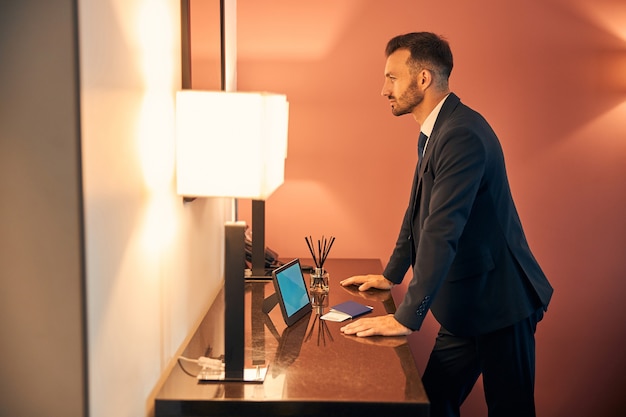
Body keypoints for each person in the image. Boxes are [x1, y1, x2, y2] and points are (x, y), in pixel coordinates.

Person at [339, 32, 553, 417]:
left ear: (422, 79)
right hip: (466, 305)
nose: (383, 89)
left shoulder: (461, 135)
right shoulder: (438, 130)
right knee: (434, 404)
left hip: (501, 302)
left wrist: (405, 319)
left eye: (392, 77)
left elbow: (442, 229)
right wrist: (391, 275)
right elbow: (418, 207)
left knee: (511, 411)